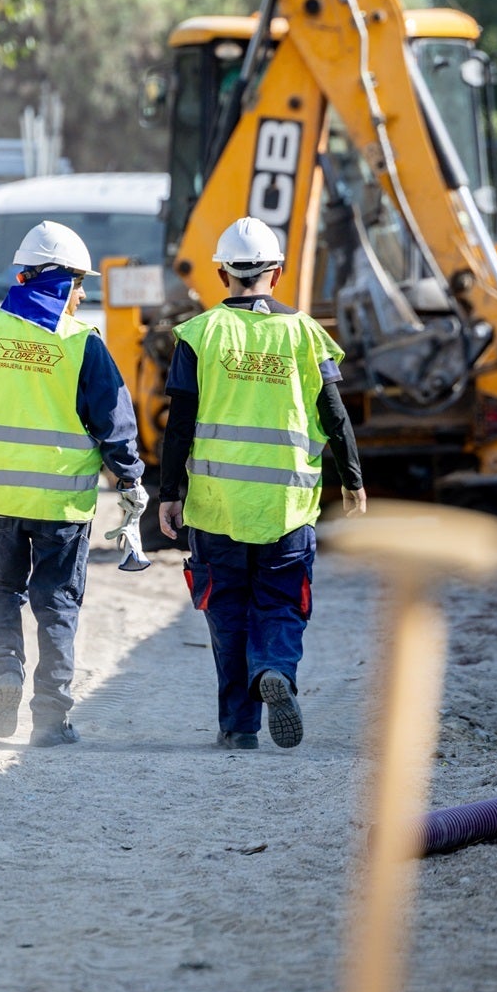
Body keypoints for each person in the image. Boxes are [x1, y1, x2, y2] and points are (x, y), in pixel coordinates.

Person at [0, 221, 147, 746]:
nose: (83, 295)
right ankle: (50, 718)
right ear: (61, 283)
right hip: (62, 504)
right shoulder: (82, 344)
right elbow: (114, 425)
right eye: (79, 284)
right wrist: (129, 477)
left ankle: (6, 667)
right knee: (57, 603)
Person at [158, 217, 366, 750]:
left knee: (227, 613)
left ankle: (238, 728)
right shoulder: (305, 333)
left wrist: (168, 493)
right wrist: (353, 480)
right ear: (277, 272)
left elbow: (178, 424)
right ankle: (274, 667)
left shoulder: (201, 334)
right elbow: (335, 414)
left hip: (217, 507)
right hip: (287, 508)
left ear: (222, 273)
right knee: (281, 603)